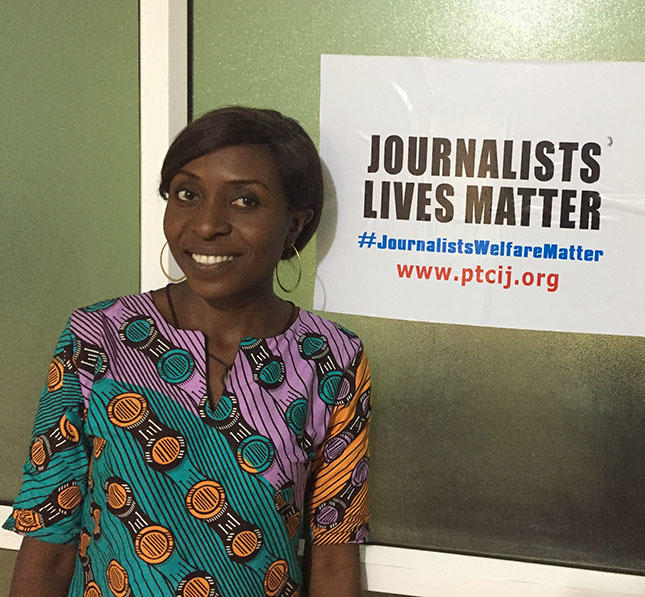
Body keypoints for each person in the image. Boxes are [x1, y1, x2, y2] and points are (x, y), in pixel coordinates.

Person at [5, 107, 372, 597]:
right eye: (187, 194)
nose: (206, 225)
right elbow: (49, 540)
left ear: (294, 225)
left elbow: (333, 556)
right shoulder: (98, 337)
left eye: (245, 200)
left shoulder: (331, 360)